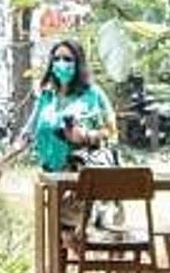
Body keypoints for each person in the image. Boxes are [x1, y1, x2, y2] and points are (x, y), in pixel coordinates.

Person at [20, 38, 116, 174]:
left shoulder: (93, 94)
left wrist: (88, 136)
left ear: (78, 63)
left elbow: (111, 131)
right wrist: (2, 165)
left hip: (84, 173)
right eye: (57, 59)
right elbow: (28, 133)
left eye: (67, 59)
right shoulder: (47, 97)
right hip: (50, 174)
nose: (61, 63)